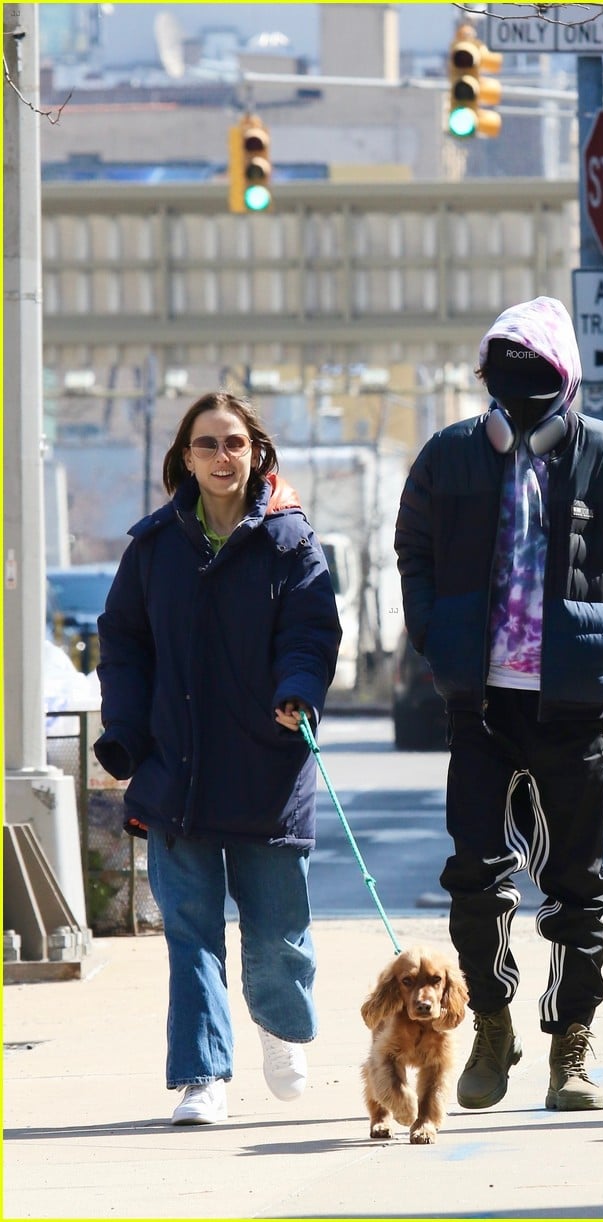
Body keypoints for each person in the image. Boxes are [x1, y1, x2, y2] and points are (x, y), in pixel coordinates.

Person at [394, 297, 603, 1114]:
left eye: (535, 373)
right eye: (503, 372)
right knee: (474, 878)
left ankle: (570, 1045)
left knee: (576, 884)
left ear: (566, 380)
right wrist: (434, 628)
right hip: (477, 704)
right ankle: (490, 1021)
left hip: (572, 705)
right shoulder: (449, 456)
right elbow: (412, 549)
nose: (518, 391)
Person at [94, 391, 342, 1125]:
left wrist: (298, 690)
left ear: (256, 451)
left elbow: (311, 629)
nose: (222, 456)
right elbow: (125, 644)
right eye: (206, 444)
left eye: (234, 442)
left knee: (275, 933)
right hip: (178, 773)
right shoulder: (153, 548)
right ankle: (203, 1075)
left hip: (268, 765)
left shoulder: (290, 543)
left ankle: (280, 1027)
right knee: (190, 934)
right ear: (185, 457)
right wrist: (126, 733)